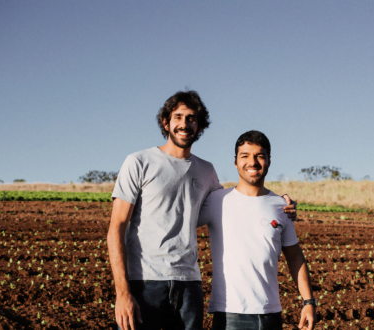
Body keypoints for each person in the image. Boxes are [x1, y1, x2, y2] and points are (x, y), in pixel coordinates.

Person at [107, 91, 297, 330]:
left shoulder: (206, 171)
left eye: (191, 118)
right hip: (144, 281)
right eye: (178, 117)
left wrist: (280, 203)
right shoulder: (139, 162)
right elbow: (116, 228)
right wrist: (122, 292)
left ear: (199, 125)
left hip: (190, 286)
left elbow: (238, 201)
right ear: (166, 122)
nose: (185, 124)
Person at [198, 130, 317, 330]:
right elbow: (178, 219)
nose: (252, 162)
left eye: (259, 156)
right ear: (235, 162)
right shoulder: (216, 200)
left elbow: (295, 257)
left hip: (271, 315)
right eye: (245, 156)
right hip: (229, 316)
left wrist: (308, 302)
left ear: (269, 161)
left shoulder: (281, 206)